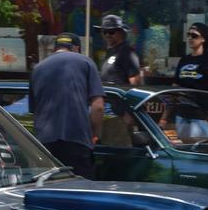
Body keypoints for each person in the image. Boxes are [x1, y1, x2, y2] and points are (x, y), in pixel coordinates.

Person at [28, 32, 104, 179]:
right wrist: (94, 135)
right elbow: (98, 107)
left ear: (55, 48)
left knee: (51, 193)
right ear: (76, 48)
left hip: (45, 145)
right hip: (77, 141)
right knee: (81, 194)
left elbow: (34, 111)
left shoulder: (37, 69)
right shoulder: (86, 63)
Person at [174, 22, 208, 120]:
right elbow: (175, 89)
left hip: (205, 117)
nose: (190, 38)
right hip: (183, 115)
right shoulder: (184, 60)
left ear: (203, 39)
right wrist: (164, 118)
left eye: (194, 35)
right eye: (188, 35)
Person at [94, 14, 143, 85]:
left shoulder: (128, 53)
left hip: (120, 95)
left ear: (121, 32)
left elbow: (135, 84)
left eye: (111, 32)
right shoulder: (110, 52)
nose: (107, 35)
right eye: (104, 32)